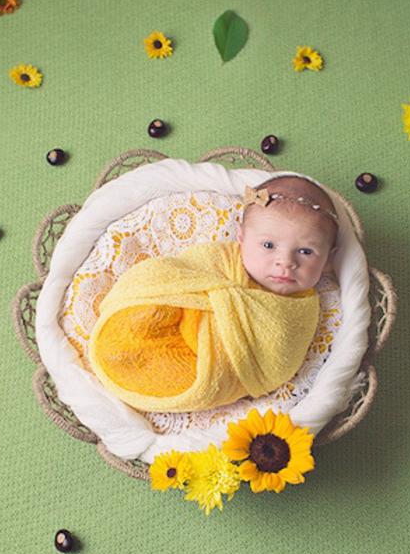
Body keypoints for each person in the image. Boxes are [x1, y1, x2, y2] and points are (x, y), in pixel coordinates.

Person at [87, 174, 339, 412]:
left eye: (305, 252)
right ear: (241, 239)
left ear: (328, 260)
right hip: (174, 314)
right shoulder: (223, 258)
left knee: (198, 376)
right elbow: (180, 271)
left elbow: (279, 360)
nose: (285, 262)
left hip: (205, 362)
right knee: (150, 293)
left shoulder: (299, 310)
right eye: (268, 245)